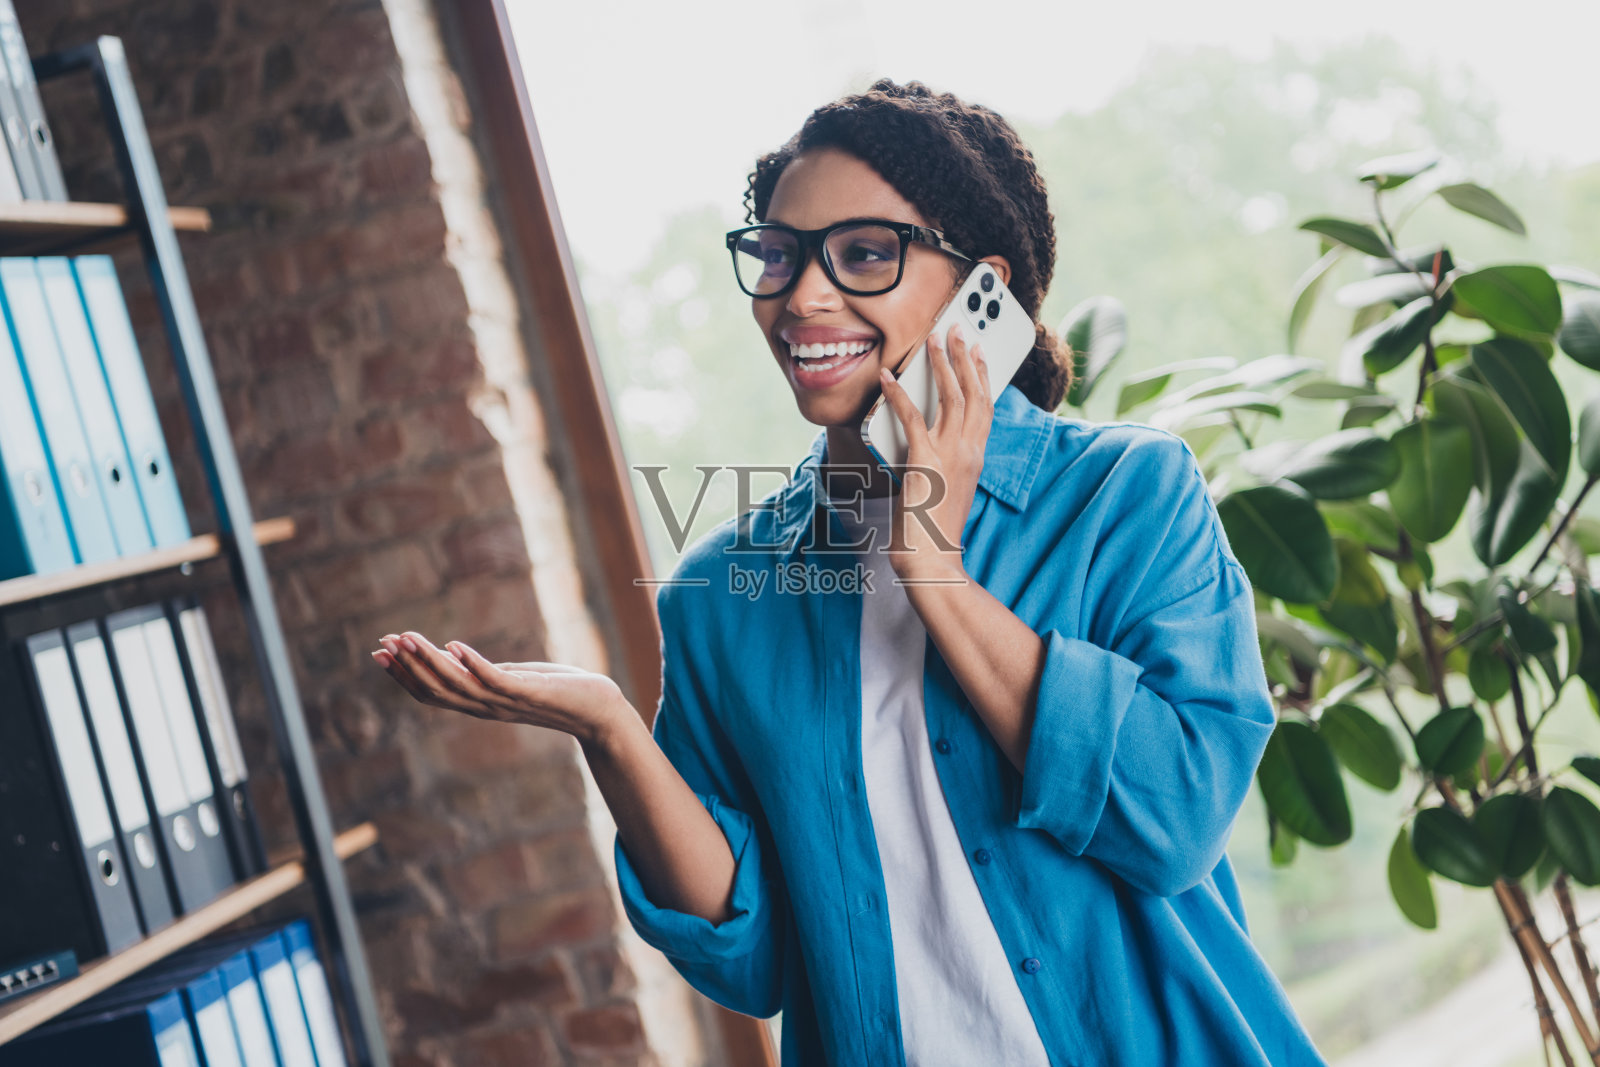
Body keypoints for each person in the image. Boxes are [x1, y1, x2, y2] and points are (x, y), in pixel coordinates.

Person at [372, 78, 1328, 1066]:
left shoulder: (1125, 496)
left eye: (863, 253)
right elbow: (760, 958)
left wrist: (935, 568)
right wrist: (611, 726)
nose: (801, 297)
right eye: (778, 256)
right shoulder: (726, 590)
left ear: (981, 291)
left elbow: (1172, 813)